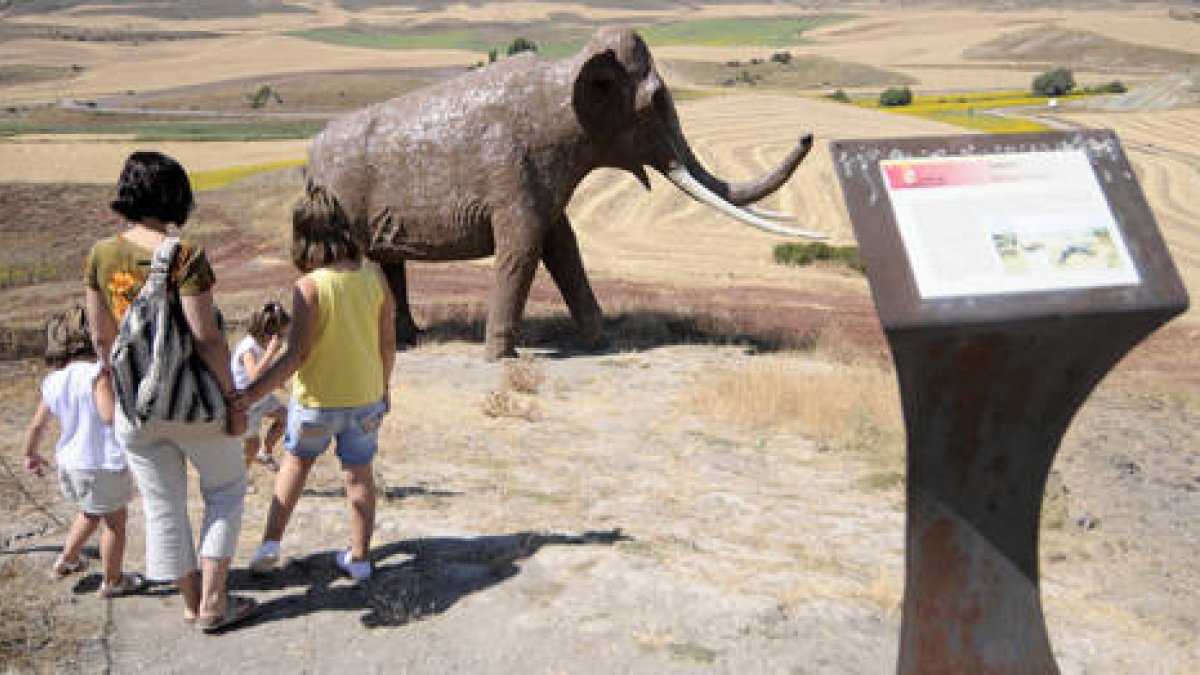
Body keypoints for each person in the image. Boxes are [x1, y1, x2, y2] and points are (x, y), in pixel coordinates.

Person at [84, 151, 255, 632]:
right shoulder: (186, 254)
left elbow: (102, 338)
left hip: (135, 408)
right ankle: (216, 602)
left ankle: (191, 599)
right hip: (193, 403)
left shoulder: (101, 254)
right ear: (177, 195)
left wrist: (120, 393)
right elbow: (207, 338)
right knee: (225, 490)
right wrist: (233, 399)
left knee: (164, 505)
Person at [237, 186, 395, 582]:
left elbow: (298, 354)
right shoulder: (376, 277)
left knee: (295, 464)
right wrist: (384, 387)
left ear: (303, 237)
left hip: (316, 404)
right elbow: (387, 342)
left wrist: (251, 394)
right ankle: (359, 559)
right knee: (359, 476)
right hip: (365, 399)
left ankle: (271, 543)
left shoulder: (309, 286)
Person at [22, 306, 146, 598]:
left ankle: (65, 561)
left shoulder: (54, 380)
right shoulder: (97, 374)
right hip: (101, 463)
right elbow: (107, 415)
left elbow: (36, 426)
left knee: (89, 512)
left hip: (71, 464)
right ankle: (113, 581)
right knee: (115, 523)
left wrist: (31, 454)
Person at [232, 301, 291, 471]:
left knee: (286, 418)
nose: (282, 339)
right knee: (252, 445)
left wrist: (275, 380)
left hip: (261, 396)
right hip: (247, 402)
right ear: (267, 334)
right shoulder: (248, 349)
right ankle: (240, 477)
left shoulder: (261, 345)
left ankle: (265, 453)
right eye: (280, 336)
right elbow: (255, 375)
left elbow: (263, 370)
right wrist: (272, 352)